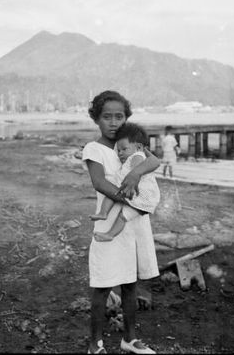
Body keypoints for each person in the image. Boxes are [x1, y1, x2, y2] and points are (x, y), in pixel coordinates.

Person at [82, 90, 160, 354]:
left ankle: (129, 339)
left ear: (127, 117)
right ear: (96, 119)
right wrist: (133, 202)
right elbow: (99, 182)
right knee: (103, 284)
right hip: (110, 222)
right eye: (107, 117)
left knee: (129, 284)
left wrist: (137, 172)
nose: (114, 122)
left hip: (134, 226)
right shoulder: (95, 149)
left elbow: (154, 161)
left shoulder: (132, 144)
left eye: (119, 116)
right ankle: (95, 345)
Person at [90, 122, 161, 242]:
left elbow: (136, 171)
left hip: (141, 196)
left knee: (118, 207)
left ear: (138, 147)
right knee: (122, 215)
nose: (120, 153)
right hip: (143, 200)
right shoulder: (132, 156)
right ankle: (107, 225)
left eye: (124, 149)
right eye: (118, 150)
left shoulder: (137, 156)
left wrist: (132, 177)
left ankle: (107, 224)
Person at [161, 125, 182, 210]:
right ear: (171, 131)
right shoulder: (172, 138)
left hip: (165, 152)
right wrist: (177, 152)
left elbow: (162, 146)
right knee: (171, 165)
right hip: (171, 152)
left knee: (165, 164)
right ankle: (171, 176)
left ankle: (163, 175)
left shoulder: (164, 138)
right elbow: (174, 146)